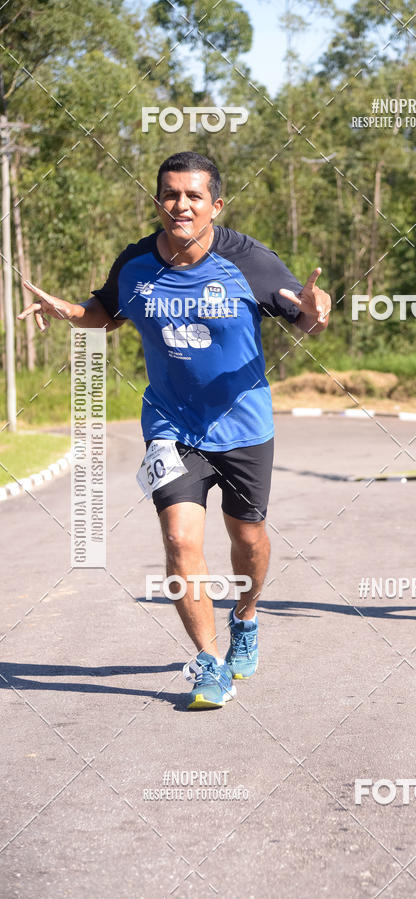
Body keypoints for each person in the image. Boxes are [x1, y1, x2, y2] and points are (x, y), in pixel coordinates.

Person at [19, 151, 331, 707]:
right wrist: (68, 311)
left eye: (193, 196)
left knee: (248, 540)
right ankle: (208, 662)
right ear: (158, 199)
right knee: (179, 538)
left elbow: (303, 318)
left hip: (243, 427)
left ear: (216, 203)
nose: (180, 205)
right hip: (170, 425)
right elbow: (107, 314)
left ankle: (247, 617)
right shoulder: (136, 261)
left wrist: (315, 308)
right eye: (170, 194)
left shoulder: (250, 262)